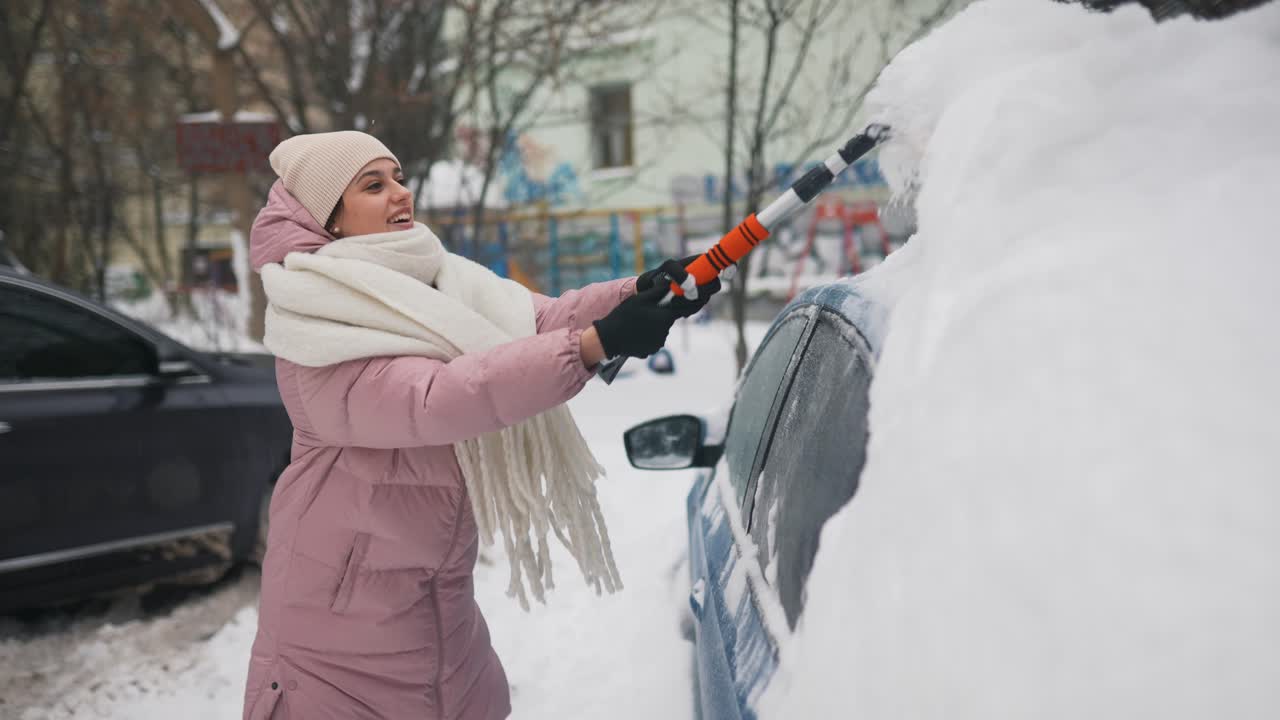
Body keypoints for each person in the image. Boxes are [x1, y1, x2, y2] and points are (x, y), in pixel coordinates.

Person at [241, 131, 718, 720]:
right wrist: (593, 348)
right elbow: (437, 398)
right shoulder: (310, 323)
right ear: (328, 218)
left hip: (435, 601)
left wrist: (635, 294)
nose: (400, 193)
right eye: (374, 184)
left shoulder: (434, 277)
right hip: (332, 634)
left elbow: (535, 319)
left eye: (397, 176)